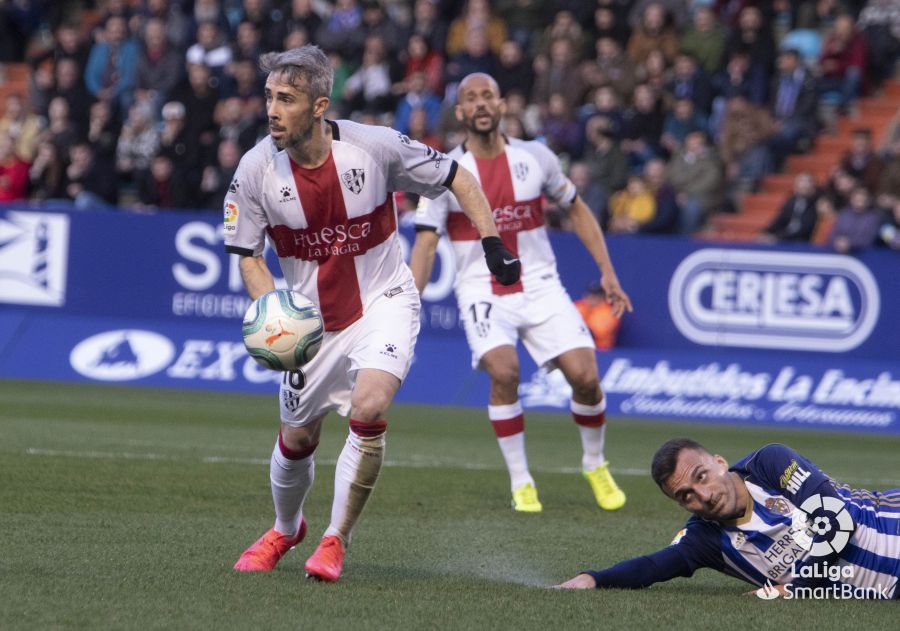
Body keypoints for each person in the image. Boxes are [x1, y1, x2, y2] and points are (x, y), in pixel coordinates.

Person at [224, 46, 519, 583]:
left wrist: (492, 240)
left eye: (286, 99)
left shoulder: (374, 147)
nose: (271, 110)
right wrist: (273, 312)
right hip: (309, 323)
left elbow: (458, 178)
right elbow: (248, 256)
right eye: (269, 97)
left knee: (370, 404)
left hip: (384, 300)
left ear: (319, 106)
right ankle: (286, 529)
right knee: (297, 439)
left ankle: (336, 539)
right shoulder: (255, 170)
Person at [410, 73, 633, 514]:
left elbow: (577, 210)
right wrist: (409, 306)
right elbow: (426, 242)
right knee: (504, 371)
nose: (480, 104)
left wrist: (607, 272)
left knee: (587, 379)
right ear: (460, 112)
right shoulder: (443, 172)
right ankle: (522, 481)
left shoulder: (537, 158)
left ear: (503, 104)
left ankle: (594, 463)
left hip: (542, 285)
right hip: (482, 290)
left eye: (487, 96)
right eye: (470, 98)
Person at [556, 438, 900, 598]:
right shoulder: (705, 540)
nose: (702, 495)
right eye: (686, 495)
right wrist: (593, 579)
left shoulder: (770, 465)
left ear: (720, 462)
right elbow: (654, 566)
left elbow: (837, 521)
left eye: (701, 476)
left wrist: (797, 589)